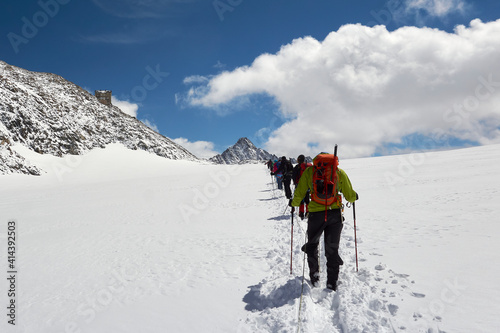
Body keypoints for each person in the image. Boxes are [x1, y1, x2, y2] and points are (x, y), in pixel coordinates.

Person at [289, 153, 358, 290]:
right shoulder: (338, 172)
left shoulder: (310, 171)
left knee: (312, 245)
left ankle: (314, 277)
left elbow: (300, 191)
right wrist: (354, 197)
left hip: (315, 214)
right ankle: (332, 282)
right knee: (332, 248)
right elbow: (349, 195)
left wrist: (294, 203)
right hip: (335, 214)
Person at [292, 155, 311, 220]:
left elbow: (294, 176)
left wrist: (295, 183)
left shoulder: (297, 167)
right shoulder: (308, 166)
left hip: (300, 185)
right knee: (307, 199)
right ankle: (308, 212)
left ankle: (301, 213)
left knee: (301, 199)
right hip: (308, 185)